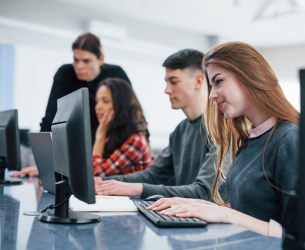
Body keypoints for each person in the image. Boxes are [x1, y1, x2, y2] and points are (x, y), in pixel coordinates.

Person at [147, 42, 299, 238]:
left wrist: (225, 214)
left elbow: (299, 236)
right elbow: (248, 212)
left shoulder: (289, 138)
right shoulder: (249, 140)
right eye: (211, 85)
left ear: (248, 76)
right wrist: (199, 205)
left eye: (218, 81)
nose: (211, 95)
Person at [94, 49, 228, 200]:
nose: (167, 90)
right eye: (167, 82)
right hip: (185, 214)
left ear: (198, 81)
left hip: (209, 220)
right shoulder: (180, 130)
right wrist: (102, 182)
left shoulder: (220, 128)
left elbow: (203, 192)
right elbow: (154, 175)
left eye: (174, 82)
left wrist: (137, 189)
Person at [11, 32, 147, 177]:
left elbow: (134, 112)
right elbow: (51, 119)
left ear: (100, 59)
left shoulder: (116, 74)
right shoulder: (65, 73)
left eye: (86, 61)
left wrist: (147, 155)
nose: (79, 66)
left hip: (110, 148)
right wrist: (42, 164)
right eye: (76, 60)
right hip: (78, 149)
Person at [93, 78, 152, 176]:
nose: (97, 107)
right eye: (97, 101)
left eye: (105, 101)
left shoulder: (135, 140)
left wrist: (100, 135)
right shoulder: (113, 136)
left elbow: (97, 175)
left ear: (120, 105)